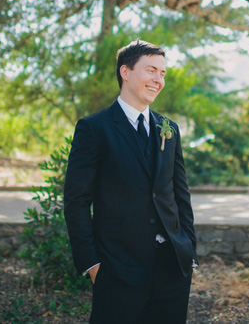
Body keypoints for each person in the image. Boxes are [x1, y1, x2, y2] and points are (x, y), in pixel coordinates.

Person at [64, 39, 197, 324]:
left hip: (173, 268)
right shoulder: (93, 129)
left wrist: (189, 250)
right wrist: (92, 265)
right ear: (126, 72)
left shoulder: (169, 129)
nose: (158, 79)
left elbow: (179, 194)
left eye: (162, 73)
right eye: (151, 70)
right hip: (117, 270)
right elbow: (76, 201)